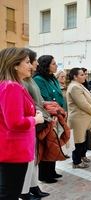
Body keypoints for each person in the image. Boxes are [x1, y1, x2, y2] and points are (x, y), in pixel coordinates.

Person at [0, 47, 44, 200]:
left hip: (13, 150)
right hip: (14, 152)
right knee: (9, 194)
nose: (31, 66)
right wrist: (35, 119)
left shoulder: (12, 86)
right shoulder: (11, 87)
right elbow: (14, 122)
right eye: (27, 62)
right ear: (14, 65)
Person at [21, 49, 50, 199]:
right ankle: (25, 191)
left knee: (34, 157)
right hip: (32, 122)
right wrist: (38, 116)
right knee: (29, 159)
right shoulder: (20, 82)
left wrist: (45, 104)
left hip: (37, 119)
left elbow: (36, 99)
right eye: (32, 61)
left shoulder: (30, 79)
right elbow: (28, 105)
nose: (36, 64)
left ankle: (34, 186)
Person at [33, 55, 64, 183]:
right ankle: (44, 175)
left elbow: (58, 95)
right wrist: (53, 114)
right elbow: (44, 98)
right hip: (48, 116)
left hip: (57, 115)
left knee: (54, 144)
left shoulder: (52, 78)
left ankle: (52, 170)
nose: (56, 65)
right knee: (47, 145)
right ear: (46, 65)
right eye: (53, 63)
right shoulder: (39, 79)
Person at [66, 68, 91, 168]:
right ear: (75, 77)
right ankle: (76, 162)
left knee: (84, 139)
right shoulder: (74, 87)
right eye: (82, 75)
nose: (84, 76)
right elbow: (83, 104)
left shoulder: (79, 85)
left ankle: (82, 156)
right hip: (78, 119)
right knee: (78, 141)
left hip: (84, 118)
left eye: (84, 74)